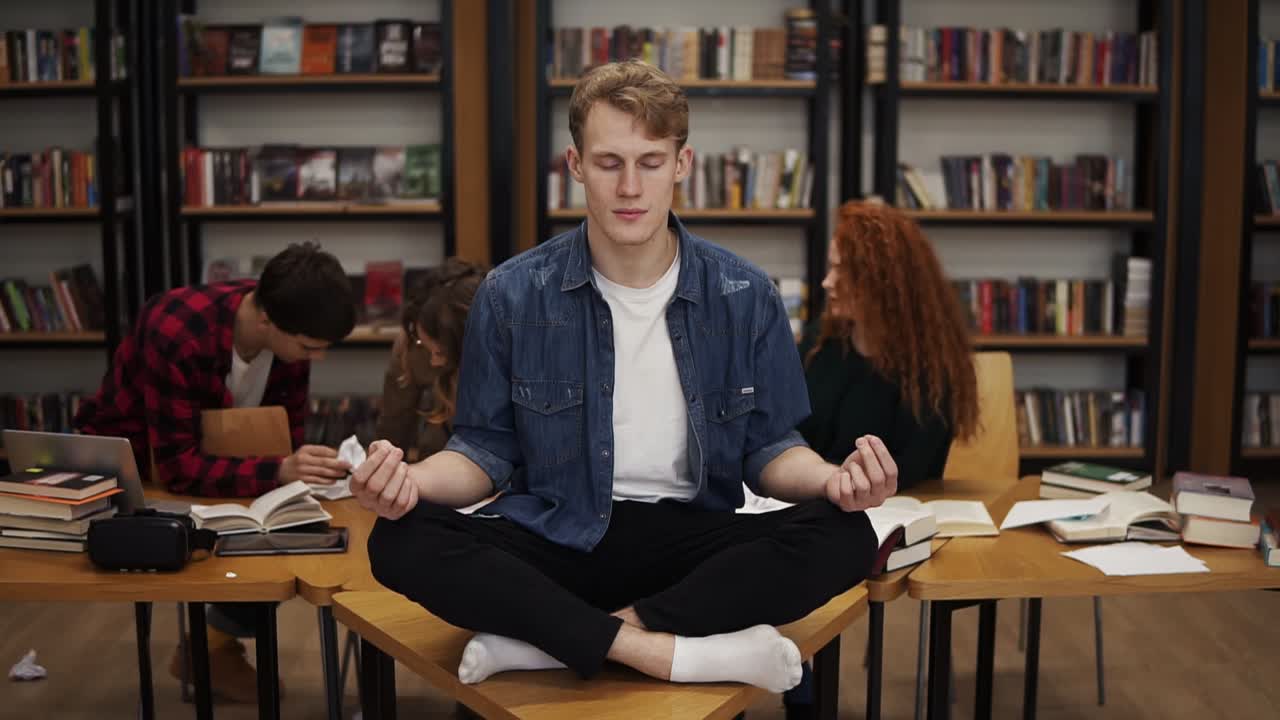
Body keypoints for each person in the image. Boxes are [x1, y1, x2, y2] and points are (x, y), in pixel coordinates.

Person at [353, 60, 897, 693]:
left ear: (682, 164)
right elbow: (484, 451)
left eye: (651, 162)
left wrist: (834, 480)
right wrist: (407, 483)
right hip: (557, 535)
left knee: (844, 533)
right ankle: (669, 649)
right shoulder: (511, 293)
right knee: (399, 539)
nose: (631, 187)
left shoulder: (746, 294)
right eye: (609, 163)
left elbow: (770, 448)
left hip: (690, 539)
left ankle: (561, 639)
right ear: (576, 164)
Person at [74, 241, 358, 703]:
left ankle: (211, 646)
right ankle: (209, 651)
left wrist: (295, 467)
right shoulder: (176, 330)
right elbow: (175, 467)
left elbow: (281, 440)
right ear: (266, 320)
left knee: (294, 525)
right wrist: (280, 469)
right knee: (251, 530)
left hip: (217, 464)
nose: (316, 358)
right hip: (133, 472)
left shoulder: (288, 329)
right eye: (309, 347)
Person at [800, 200, 979, 489]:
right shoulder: (819, 341)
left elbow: (912, 470)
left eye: (843, 271)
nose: (827, 282)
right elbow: (787, 435)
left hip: (893, 504)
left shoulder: (930, 368)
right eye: (831, 267)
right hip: (812, 493)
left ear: (882, 282)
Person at [376, 258, 488, 462]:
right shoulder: (412, 343)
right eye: (425, 345)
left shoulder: (512, 352)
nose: (434, 362)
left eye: (443, 352)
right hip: (440, 451)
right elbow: (394, 426)